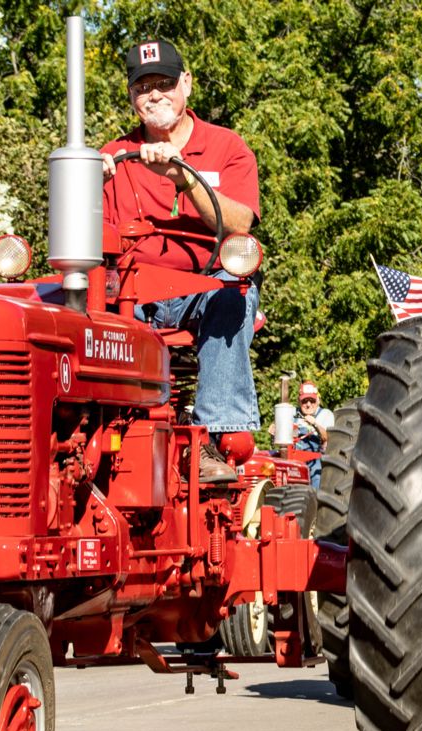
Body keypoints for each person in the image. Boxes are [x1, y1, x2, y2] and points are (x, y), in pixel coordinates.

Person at [101, 38, 261, 483]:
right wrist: (83, 184)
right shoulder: (114, 154)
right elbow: (91, 244)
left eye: (165, 83)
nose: (154, 95)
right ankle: (99, 433)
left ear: (186, 85)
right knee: (75, 308)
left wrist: (181, 177)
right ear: (132, 96)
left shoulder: (226, 147)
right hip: (132, 294)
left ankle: (213, 441)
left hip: (202, 287)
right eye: (143, 86)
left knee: (232, 287)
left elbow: (239, 223)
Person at [292, 381, 335, 488]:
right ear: (299, 401)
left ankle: (316, 501)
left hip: (315, 458)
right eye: (304, 401)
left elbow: (327, 438)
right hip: (293, 457)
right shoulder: (292, 413)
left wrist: (314, 424)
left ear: (318, 400)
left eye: (312, 401)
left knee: (317, 474)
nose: (308, 404)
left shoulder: (325, 414)